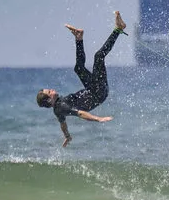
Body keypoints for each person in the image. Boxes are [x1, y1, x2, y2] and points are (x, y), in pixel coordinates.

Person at [36, 11, 126, 147]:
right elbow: (81, 113)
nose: (52, 90)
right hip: (98, 93)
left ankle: (79, 37)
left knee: (78, 68)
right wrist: (98, 119)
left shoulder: (58, 110)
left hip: (92, 89)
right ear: (49, 100)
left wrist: (67, 136)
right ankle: (119, 28)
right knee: (98, 56)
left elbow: (63, 124)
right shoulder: (62, 106)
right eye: (50, 92)